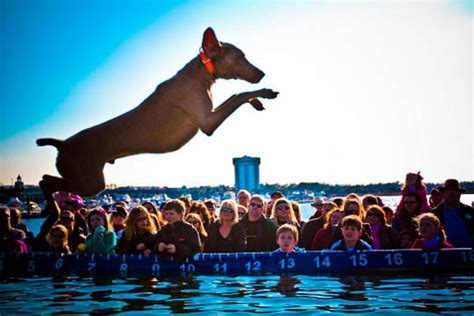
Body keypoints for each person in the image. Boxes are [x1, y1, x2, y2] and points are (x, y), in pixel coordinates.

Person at [432, 179, 474, 247]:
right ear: (443, 193)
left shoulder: (470, 211)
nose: (451, 193)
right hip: (443, 254)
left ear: (459, 194)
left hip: (469, 254)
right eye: (448, 191)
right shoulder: (434, 214)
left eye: (455, 191)